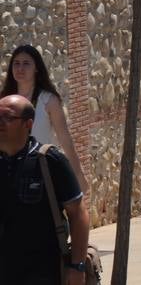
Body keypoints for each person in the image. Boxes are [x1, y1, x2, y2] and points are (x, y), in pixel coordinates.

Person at [0, 94, 91, 285]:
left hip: (40, 274)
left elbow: (78, 212)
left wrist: (77, 266)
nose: (0, 122)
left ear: (28, 124)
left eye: (6, 117)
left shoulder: (48, 160)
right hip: (3, 271)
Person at [2, 45, 88, 193]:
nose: (20, 68)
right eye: (16, 63)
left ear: (36, 68)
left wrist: (78, 174)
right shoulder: (4, 101)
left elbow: (64, 138)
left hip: (41, 171)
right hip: (9, 170)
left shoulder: (48, 100)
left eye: (26, 63)